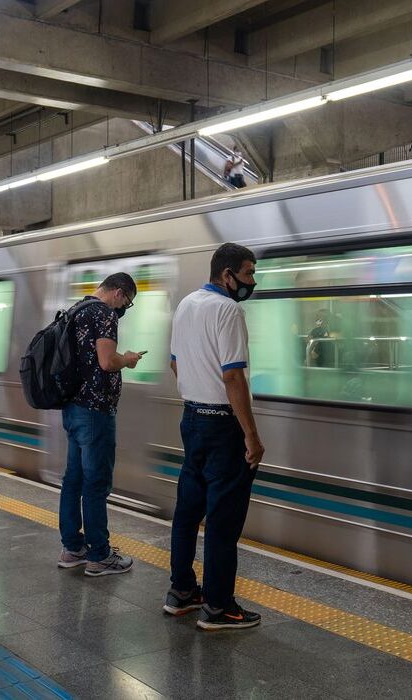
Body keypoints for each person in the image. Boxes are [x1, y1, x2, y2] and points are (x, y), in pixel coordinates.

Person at [165, 242, 265, 630]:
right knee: (223, 520)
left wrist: (196, 394)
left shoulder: (186, 304)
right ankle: (219, 607)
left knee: (188, 513)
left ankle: (182, 592)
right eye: (248, 273)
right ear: (227, 275)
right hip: (223, 426)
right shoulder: (228, 310)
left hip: (192, 419)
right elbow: (233, 376)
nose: (251, 281)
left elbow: (175, 363)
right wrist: (250, 435)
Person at [57, 273, 144, 576]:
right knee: (96, 484)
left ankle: (72, 548)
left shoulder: (76, 309)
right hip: (95, 410)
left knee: (73, 480)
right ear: (119, 293)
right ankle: (99, 555)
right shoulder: (104, 313)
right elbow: (107, 361)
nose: (124, 309)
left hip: (72, 407)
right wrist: (129, 359)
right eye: (127, 303)